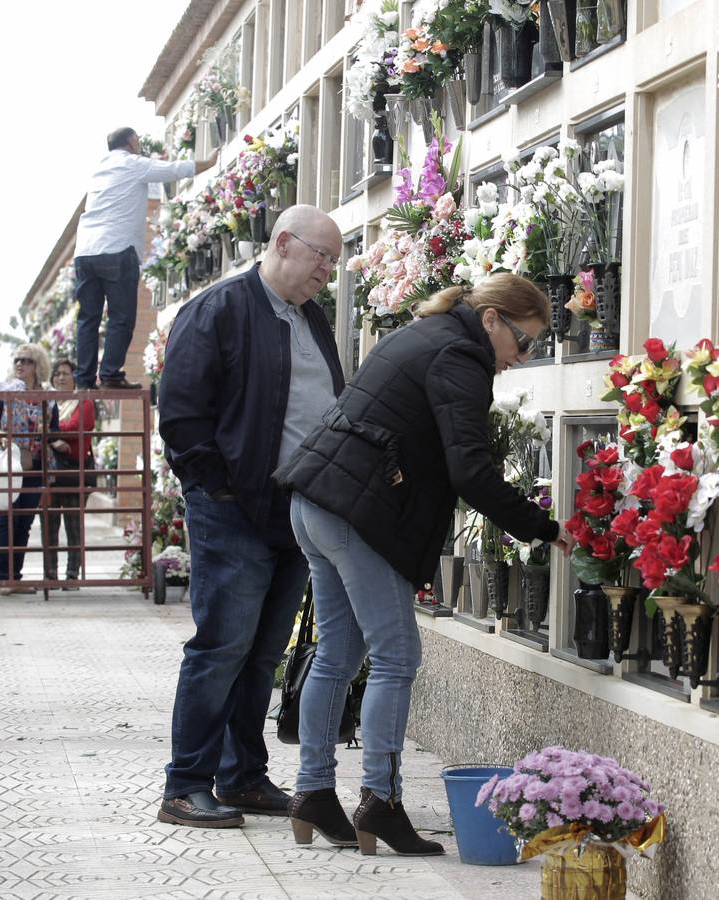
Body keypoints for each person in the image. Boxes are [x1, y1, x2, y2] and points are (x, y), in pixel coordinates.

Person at [274, 274, 570, 855]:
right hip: (356, 513)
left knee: (339, 652)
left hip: (316, 500)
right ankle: (379, 803)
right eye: (523, 341)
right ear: (492, 321)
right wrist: (543, 527)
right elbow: (471, 471)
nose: (522, 356)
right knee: (396, 655)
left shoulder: (426, 333)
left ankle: (312, 791)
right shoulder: (461, 357)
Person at [156, 205, 345, 829]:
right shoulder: (220, 309)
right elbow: (182, 412)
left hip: (295, 512)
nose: (329, 270)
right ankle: (186, 784)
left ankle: (242, 777)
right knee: (221, 646)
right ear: (284, 243)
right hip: (234, 511)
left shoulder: (310, 317)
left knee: (262, 653)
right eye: (322, 256)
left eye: (334, 261)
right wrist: (216, 489)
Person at [74, 127, 209, 390]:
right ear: (133, 141)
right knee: (121, 316)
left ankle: (84, 381)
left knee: (88, 319)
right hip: (116, 249)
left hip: (85, 252)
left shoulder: (97, 170)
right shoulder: (133, 164)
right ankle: (111, 374)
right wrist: (211, 161)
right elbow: (174, 170)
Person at [0, 343, 57, 594]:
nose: (20, 365)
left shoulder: (49, 395)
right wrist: (2, 435)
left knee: (24, 521)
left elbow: (54, 430)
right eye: (17, 360)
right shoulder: (4, 391)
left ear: (38, 366)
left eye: (26, 360)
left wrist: (49, 435)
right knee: (6, 518)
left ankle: (16, 577)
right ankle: (3, 578)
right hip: (8, 462)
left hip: (35, 464)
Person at [43, 358, 95, 588]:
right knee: (49, 523)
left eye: (66, 373)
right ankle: (50, 574)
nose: (61, 377)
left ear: (75, 377)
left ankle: (72, 574)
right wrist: (54, 439)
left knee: (73, 524)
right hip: (51, 470)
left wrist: (51, 432)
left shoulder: (83, 400)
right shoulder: (46, 401)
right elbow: (38, 427)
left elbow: (80, 426)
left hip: (75, 469)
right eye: (57, 373)